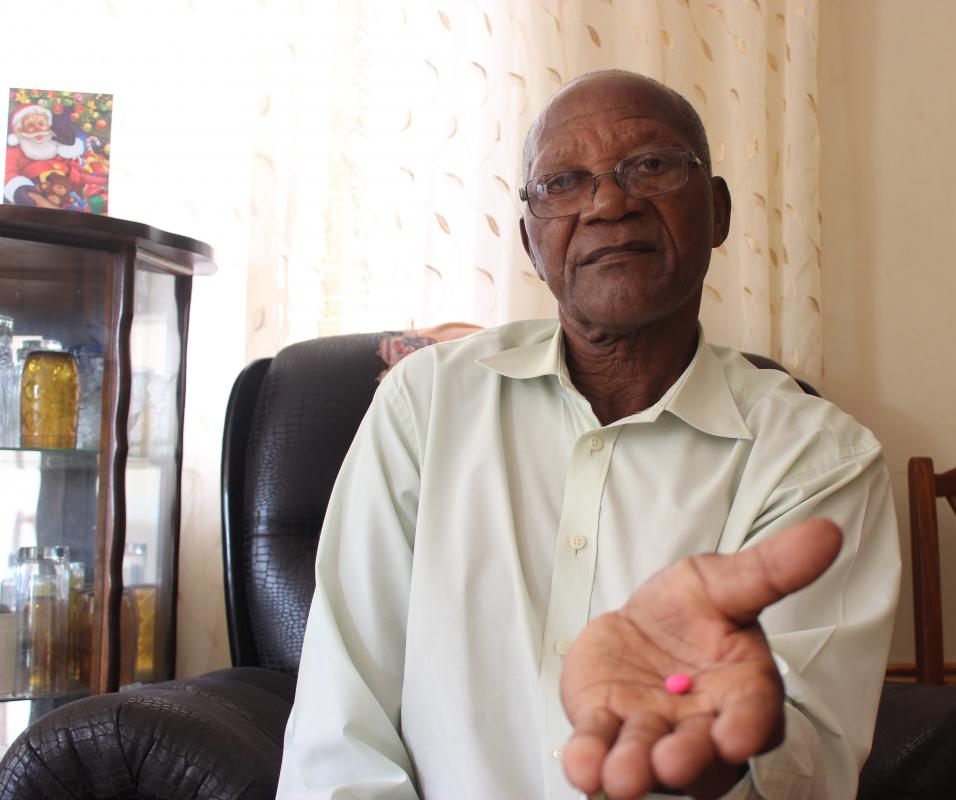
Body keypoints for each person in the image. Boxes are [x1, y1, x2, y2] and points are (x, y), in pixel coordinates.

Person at [276, 70, 900, 799]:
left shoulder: (821, 461)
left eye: (652, 166)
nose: (608, 202)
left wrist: (719, 761)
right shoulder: (426, 403)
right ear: (529, 241)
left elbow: (810, 766)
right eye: (563, 183)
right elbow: (341, 730)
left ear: (719, 211)